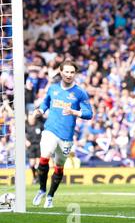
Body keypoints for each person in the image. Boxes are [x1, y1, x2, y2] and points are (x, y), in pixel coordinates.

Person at [32, 60, 93, 208]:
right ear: (61, 72)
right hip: (50, 130)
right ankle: (41, 189)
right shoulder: (53, 89)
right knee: (45, 155)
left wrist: (74, 112)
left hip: (66, 136)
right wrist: (40, 110)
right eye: (66, 71)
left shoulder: (80, 93)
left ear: (75, 74)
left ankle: (50, 196)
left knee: (59, 166)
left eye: (72, 72)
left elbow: (89, 113)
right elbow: (46, 103)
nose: (69, 75)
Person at [25, 113, 44, 184]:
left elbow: (44, 133)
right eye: (30, 119)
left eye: (32, 119)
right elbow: (21, 133)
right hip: (31, 146)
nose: (31, 120)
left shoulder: (39, 124)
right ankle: (35, 177)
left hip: (39, 145)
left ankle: (39, 178)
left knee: (38, 163)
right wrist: (25, 141)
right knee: (32, 164)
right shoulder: (26, 125)